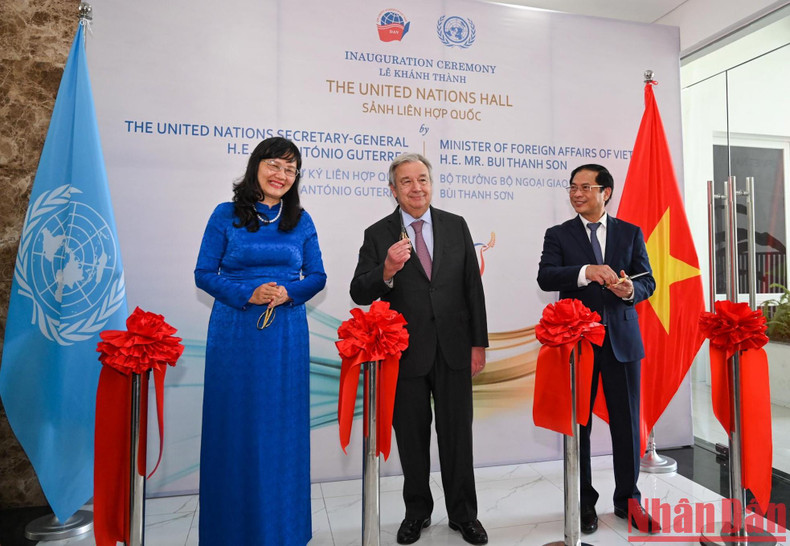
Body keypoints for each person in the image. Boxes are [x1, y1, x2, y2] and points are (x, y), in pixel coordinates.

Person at [350, 153, 489, 545]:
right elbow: (359, 290)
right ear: (393, 190)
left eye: (423, 179)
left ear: (431, 183)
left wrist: (478, 343)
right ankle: (417, 513)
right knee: (411, 439)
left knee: (457, 437)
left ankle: (464, 515)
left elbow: (472, 287)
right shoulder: (378, 233)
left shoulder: (455, 225)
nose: (416, 188)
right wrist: (386, 271)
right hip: (404, 354)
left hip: (454, 349)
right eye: (407, 181)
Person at [194, 137, 326, 545]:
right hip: (235, 334)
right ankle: (231, 532)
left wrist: (290, 292)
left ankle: (283, 531)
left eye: (290, 169)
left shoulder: (301, 220)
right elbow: (204, 273)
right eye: (274, 165)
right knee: (236, 427)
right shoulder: (225, 214)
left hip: (285, 334)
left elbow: (317, 277)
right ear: (256, 166)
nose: (281, 175)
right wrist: (246, 293)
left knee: (281, 429)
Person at [537, 164, 660, 534]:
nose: (577, 193)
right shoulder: (559, 234)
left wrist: (631, 290)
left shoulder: (630, 232)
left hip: (622, 341)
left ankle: (629, 501)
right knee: (579, 427)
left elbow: (647, 280)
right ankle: (584, 504)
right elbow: (546, 276)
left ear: (606, 192)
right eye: (572, 187)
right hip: (577, 345)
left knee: (627, 426)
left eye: (585, 187)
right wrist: (585, 271)